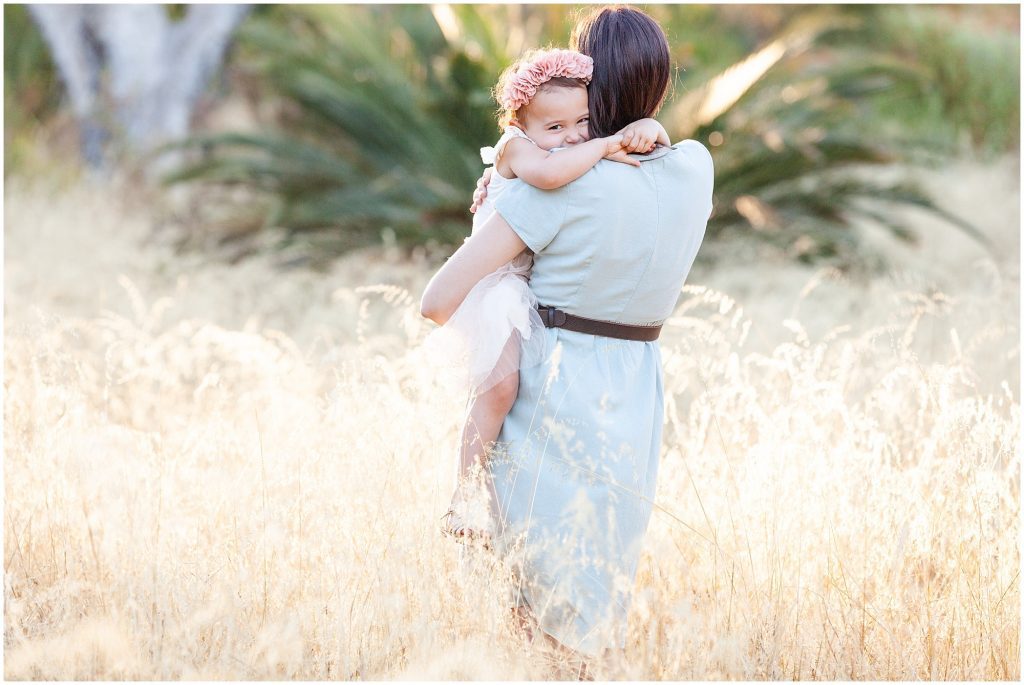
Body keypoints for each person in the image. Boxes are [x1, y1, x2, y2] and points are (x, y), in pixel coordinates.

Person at [421, 5, 714, 678]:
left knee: (540, 618)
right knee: (600, 604)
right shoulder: (695, 168)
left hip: (550, 399)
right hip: (635, 396)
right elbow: (664, 147)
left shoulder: (558, 187)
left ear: (590, 80)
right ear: (661, 83)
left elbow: (438, 300)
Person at [428, 47, 670, 546]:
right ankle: (463, 500)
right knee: (497, 391)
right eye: (554, 128)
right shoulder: (516, 150)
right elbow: (549, 176)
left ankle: (498, 502)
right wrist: (605, 147)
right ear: (520, 124)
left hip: (522, 288)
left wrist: (653, 130)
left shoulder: (566, 148)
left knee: (519, 396)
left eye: (583, 121)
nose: (574, 135)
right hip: (494, 288)